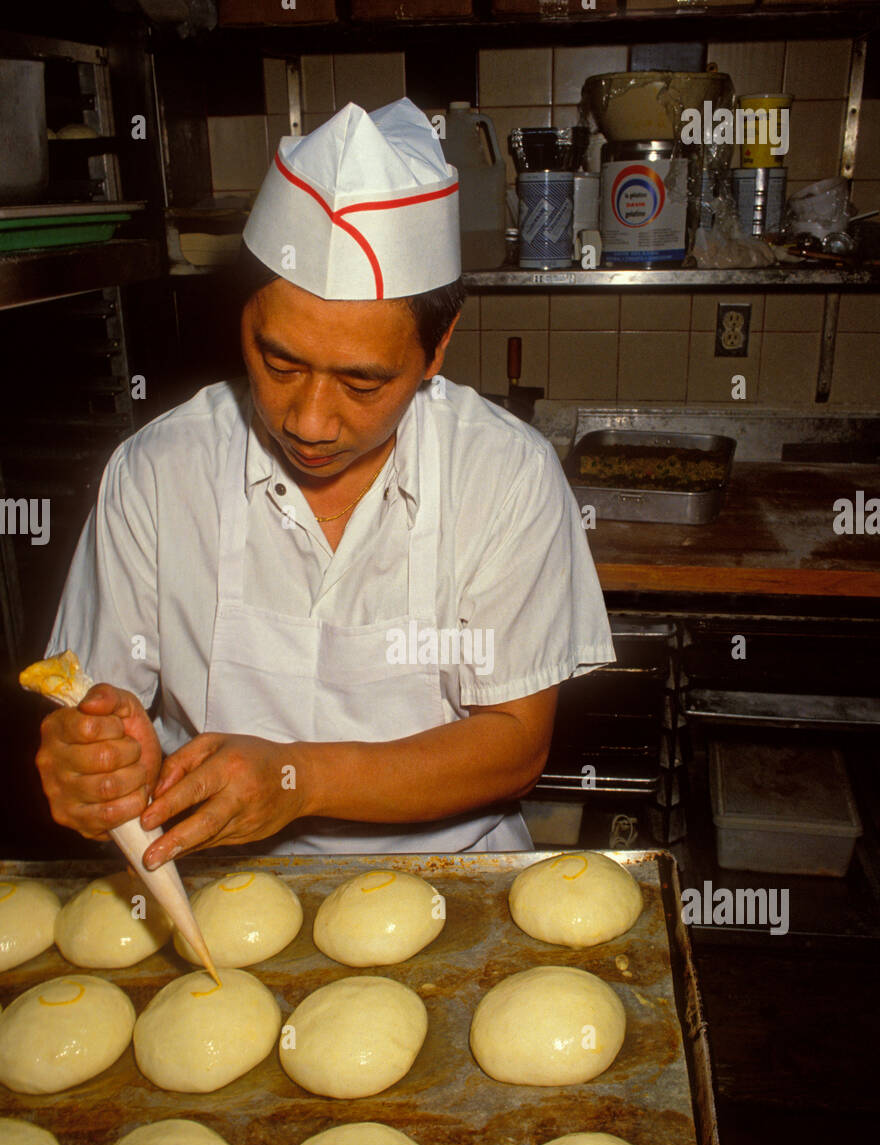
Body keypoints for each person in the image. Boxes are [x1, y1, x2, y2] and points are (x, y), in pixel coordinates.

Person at [35, 98, 614, 866]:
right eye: (279, 363)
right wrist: (95, 763)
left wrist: (295, 779)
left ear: (438, 346)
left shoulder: (503, 475)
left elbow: (512, 746)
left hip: (452, 878)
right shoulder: (157, 474)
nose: (308, 421)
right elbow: (91, 702)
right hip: (220, 882)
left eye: (362, 383)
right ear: (242, 316)